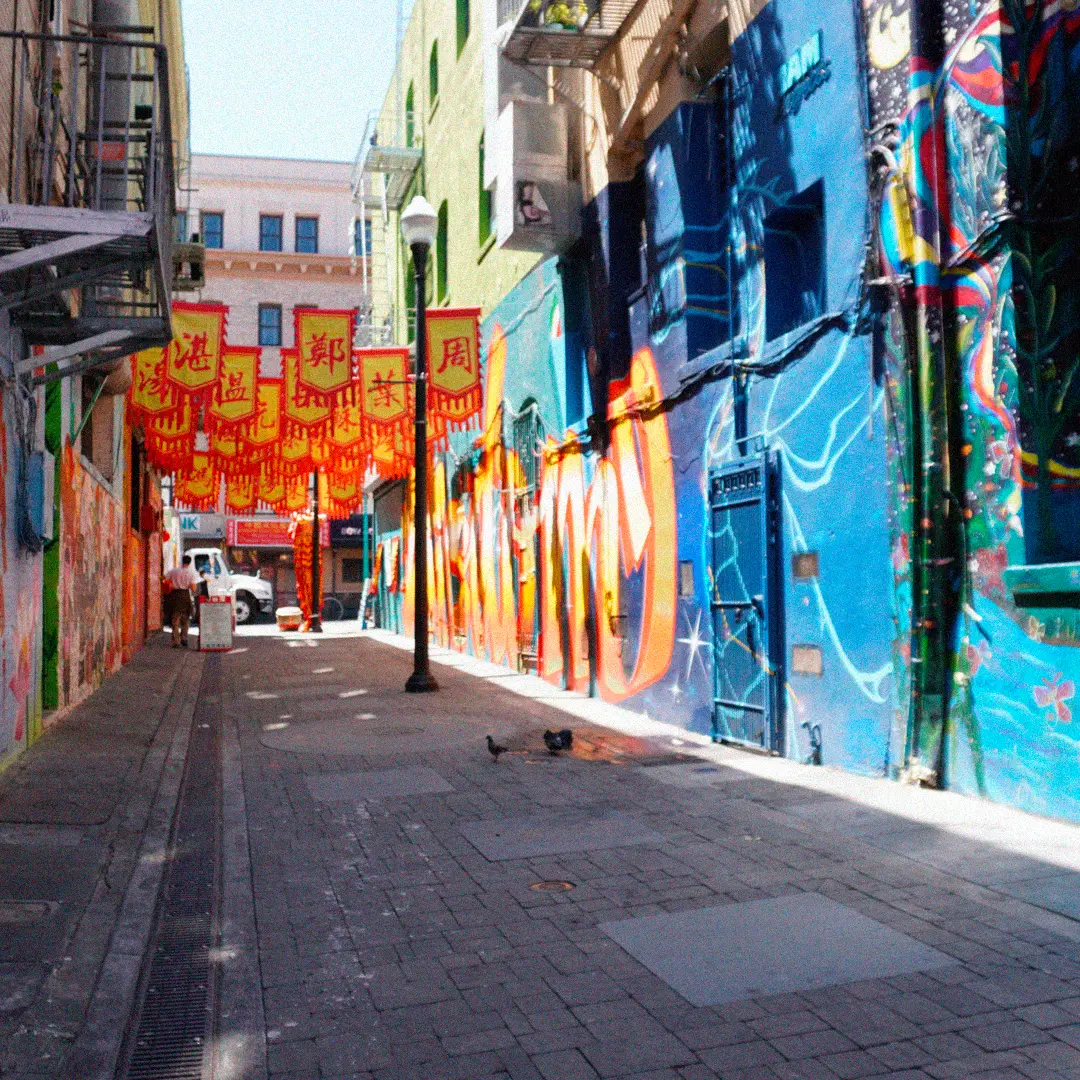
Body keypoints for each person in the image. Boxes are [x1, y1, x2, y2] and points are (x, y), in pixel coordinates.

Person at [165, 555, 201, 648]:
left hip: (174, 596)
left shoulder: (173, 571)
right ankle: (184, 638)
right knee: (186, 619)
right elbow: (193, 588)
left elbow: (165, 579)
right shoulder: (191, 573)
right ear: (189, 563)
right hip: (185, 596)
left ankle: (176, 641)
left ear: (182, 561)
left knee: (175, 619)